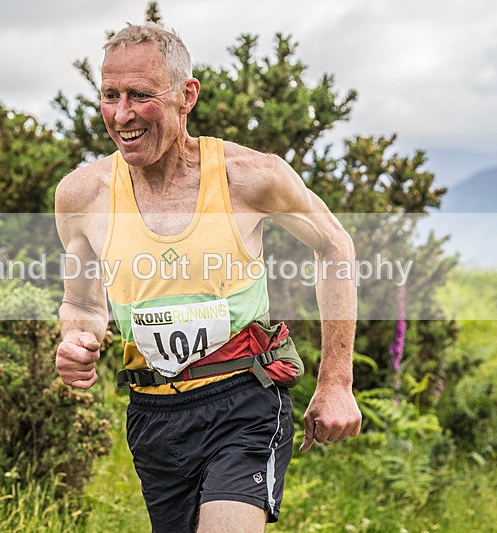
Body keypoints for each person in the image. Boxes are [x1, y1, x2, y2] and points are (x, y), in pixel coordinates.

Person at [55, 22, 361, 533]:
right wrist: (76, 340)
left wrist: (337, 380)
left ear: (185, 96)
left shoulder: (250, 177)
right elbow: (83, 305)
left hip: (245, 399)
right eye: (110, 95)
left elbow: (335, 246)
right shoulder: (81, 195)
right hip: (153, 414)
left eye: (140, 96)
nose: (122, 114)